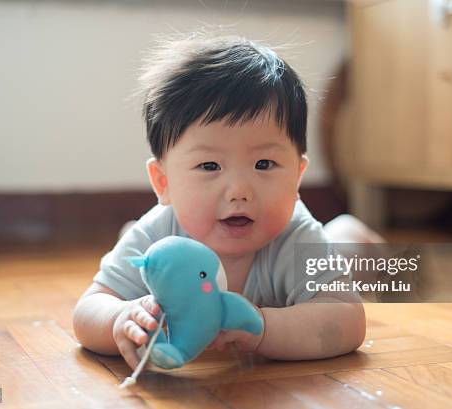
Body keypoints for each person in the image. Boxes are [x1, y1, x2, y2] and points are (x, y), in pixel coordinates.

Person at [73, 34, 374, 370]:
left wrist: (262, 328)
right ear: (164, 182)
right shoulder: (158, 236)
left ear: (297, 177)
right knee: (133, 253)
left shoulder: (297, 236)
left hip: (328, 250)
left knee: (352, 249)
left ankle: (349, 234)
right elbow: (88, 311)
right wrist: (120, 317)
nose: (238, 191)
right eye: (209, 166)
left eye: (264, 165)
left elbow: (347, 321)